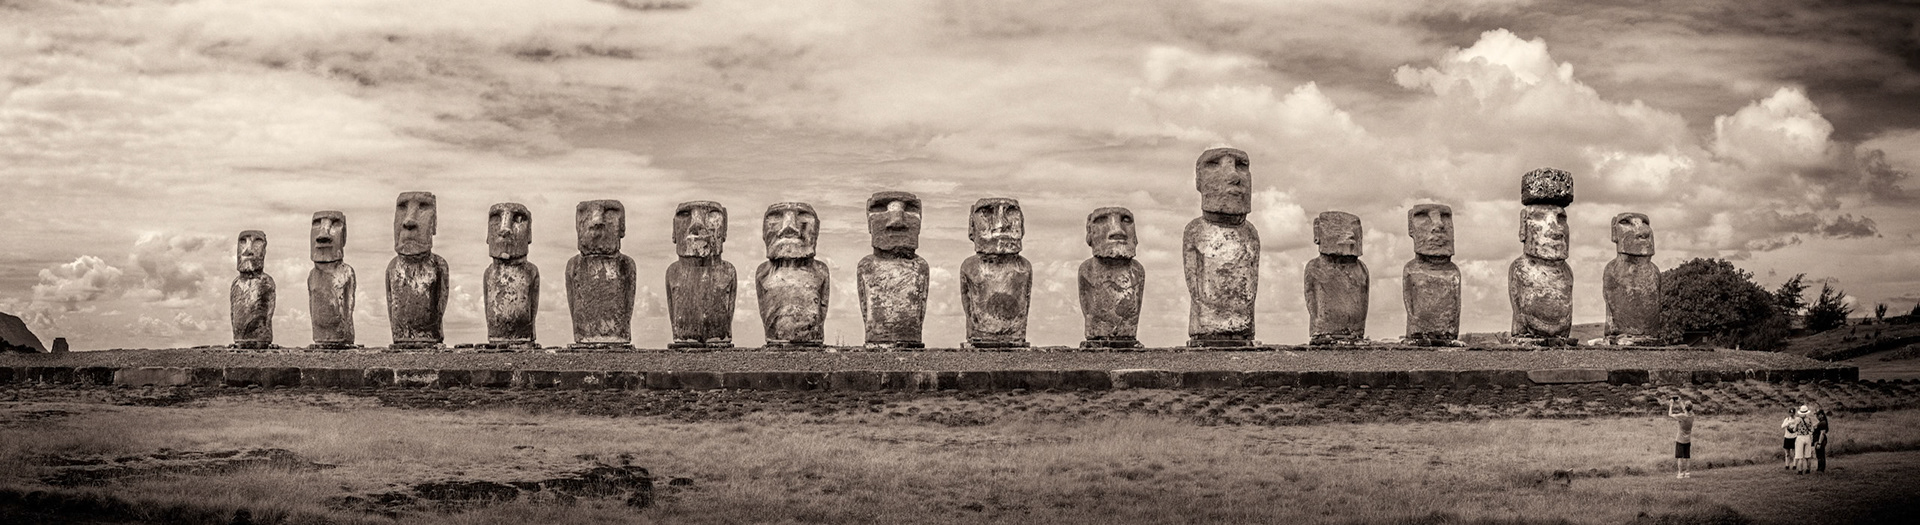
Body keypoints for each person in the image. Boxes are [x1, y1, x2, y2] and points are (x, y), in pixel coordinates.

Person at [1667, 396, 1694, 478]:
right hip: (1688, 439)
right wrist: (1680, 402)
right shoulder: (1692, 415)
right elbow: (1686, 410)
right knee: (1687, 457)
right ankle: (1687, 473)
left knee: (1680, 457)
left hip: (1680, 439)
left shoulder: (1682, 416)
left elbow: (1670, 414)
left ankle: (1680, 473)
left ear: (1685, 407)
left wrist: (1671, 405)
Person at [1790, 405, 1816, 474]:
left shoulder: (1797, 419)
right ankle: (1808, 469)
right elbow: (1812, 429)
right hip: (1807, 437)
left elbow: (1794, 429)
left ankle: (1800, 470)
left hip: (1800, 437)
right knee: (1808, 455)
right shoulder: (1809, 419)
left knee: (1800, 456)